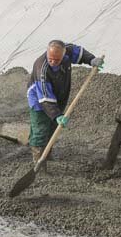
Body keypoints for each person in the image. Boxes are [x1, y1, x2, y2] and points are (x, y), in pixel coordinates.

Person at [27, 40, 104, 170]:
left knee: (53, 128)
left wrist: (91, 60)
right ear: (47, 52)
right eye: (50, 59)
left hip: (58, 95)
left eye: (56, 60)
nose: (53, 62)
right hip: (39, 99)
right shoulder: (42, 69)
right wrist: (57, 114)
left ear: (63, 55)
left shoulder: (67, 51)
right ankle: (39, 164)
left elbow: (79, 53)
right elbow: (45, 97)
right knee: (40, 129)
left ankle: (47, 154)